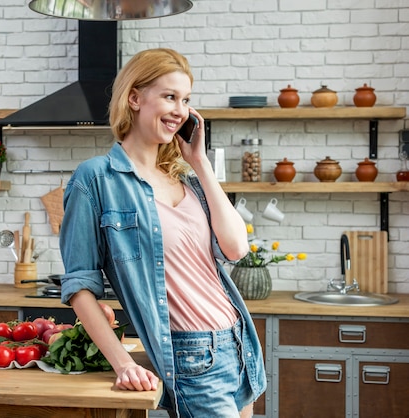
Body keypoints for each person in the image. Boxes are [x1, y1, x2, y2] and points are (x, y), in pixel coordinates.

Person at [59, 48, 267, 418]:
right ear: (134, 98)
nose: (180, 110)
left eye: (185, 100)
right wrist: (123, 364)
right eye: (169, 96)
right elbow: (79, 287)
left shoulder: (187, 180)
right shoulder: (95, 180)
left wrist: (200, 163)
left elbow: (236, 249)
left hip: (239, 343)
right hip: (191, 356)